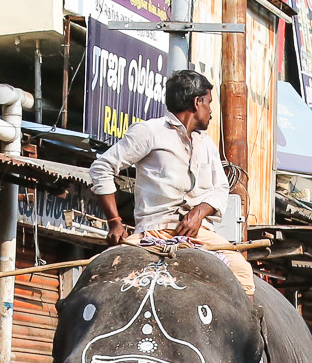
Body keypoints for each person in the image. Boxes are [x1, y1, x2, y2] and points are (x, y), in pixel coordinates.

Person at [88, 69, 255, 297]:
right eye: (209, 103)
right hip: (152, 234)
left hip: (200, 237)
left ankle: (249, 334)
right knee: (98, 273)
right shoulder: (149, 132)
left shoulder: (207, 145)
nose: (211, 111)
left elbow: (221, 188)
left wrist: (199, 213)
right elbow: (102, 167)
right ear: (197, 103)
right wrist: (115, 222)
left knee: (242, 272)